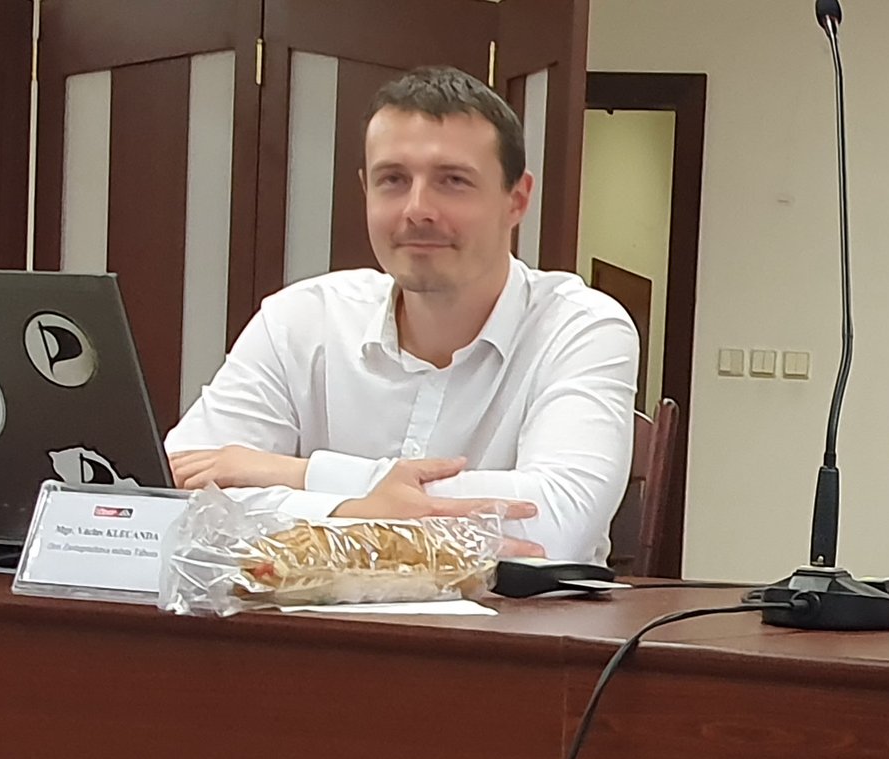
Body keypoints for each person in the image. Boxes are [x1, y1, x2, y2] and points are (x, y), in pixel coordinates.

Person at [165, 65, 638, 563]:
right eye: (392, 180)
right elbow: (179, 498)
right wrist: (363, 508)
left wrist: (303, 475)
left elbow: (553, 530)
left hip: (506, 614)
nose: (417, 209)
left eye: (453, 181)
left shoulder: (581, 328)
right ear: (366, 191)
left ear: (516, 200)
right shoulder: (299, 320)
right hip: (309, 613)